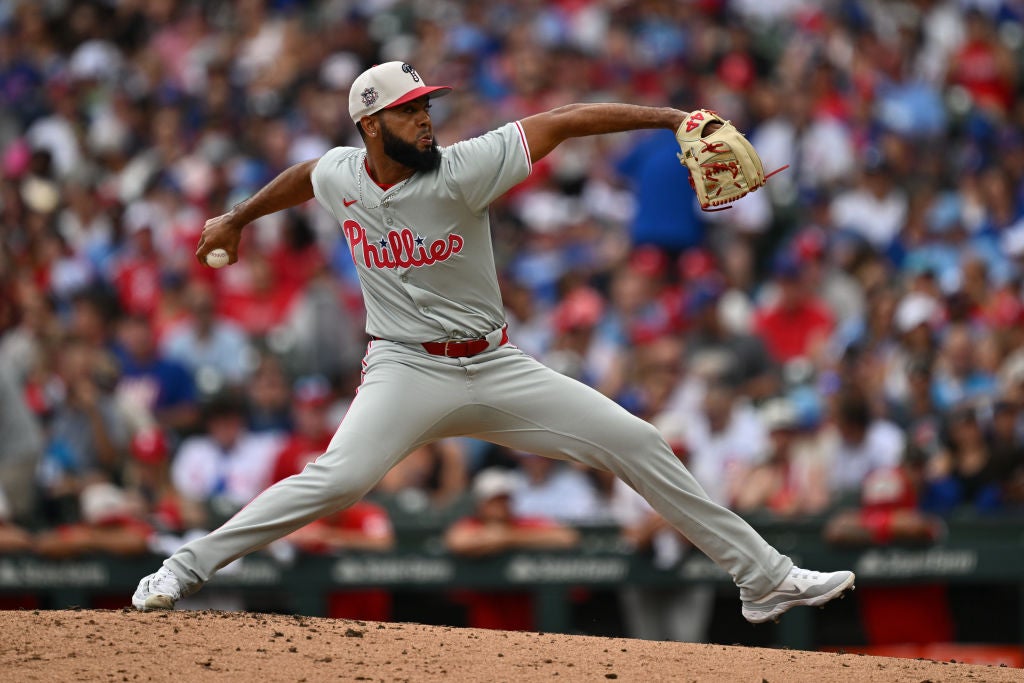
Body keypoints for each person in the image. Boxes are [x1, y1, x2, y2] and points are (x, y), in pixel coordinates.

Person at [132, 61, 854, 624]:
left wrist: (673, 118)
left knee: (637, 440)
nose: (426, 120)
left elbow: (565, 120)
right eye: (409, 112)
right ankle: (186, 566)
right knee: (339, 479)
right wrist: (237, 216)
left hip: (496, 364)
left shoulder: (463, 168)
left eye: (427, 107)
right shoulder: (342, 173)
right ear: (370, 127)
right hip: (404, 368)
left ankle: (763, 578)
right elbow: (306, 177)